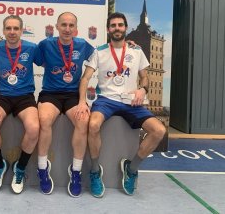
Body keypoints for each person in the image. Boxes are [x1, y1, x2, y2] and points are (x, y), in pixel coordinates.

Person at [77, 12, 166, 197]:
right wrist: (81, 101)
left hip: (130, 101)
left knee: (159, 131)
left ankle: (131, 169)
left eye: (120, 25)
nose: (117, 28)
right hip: (106, 100)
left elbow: (145, 77)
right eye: (113, 25)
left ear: (125, 28)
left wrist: (142, 90)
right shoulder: (99, 51)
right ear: (108, 29)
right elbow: (85, 78)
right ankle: (95, 171)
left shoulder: (136, 51)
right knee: (92, 125)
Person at [37, 12, 95, 197]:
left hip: (73, 95)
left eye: (71, 25)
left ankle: (76, 172)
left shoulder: (83, 45)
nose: (67, 29)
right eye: (64, 25)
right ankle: (42, 168)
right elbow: (27, 54)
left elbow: (101, 54)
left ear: (76, 28)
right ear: (57, 26)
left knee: (83, 121)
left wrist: (128, 45)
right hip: (50, 93)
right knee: (44, 120)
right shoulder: (46, 44)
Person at [0, 15, 43, 194]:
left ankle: (20, 167)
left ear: (21, 30)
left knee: (34, 128)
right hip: (2, 96)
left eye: (16, 28)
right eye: (8, 28)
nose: (12, 32)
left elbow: (50, 59)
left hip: (25, 96)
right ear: (3, 30)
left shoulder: (32, 48)